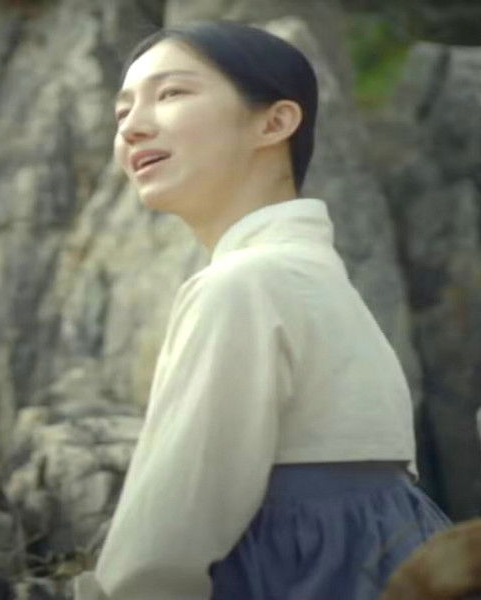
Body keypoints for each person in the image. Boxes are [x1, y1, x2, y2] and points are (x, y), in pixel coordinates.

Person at [74, 19, 452, 600]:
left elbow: (160, 551)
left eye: (170, 93)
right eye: (121, 111)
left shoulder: (243, 285)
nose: (132, 127)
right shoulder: (315, 283)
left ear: (274, 122)